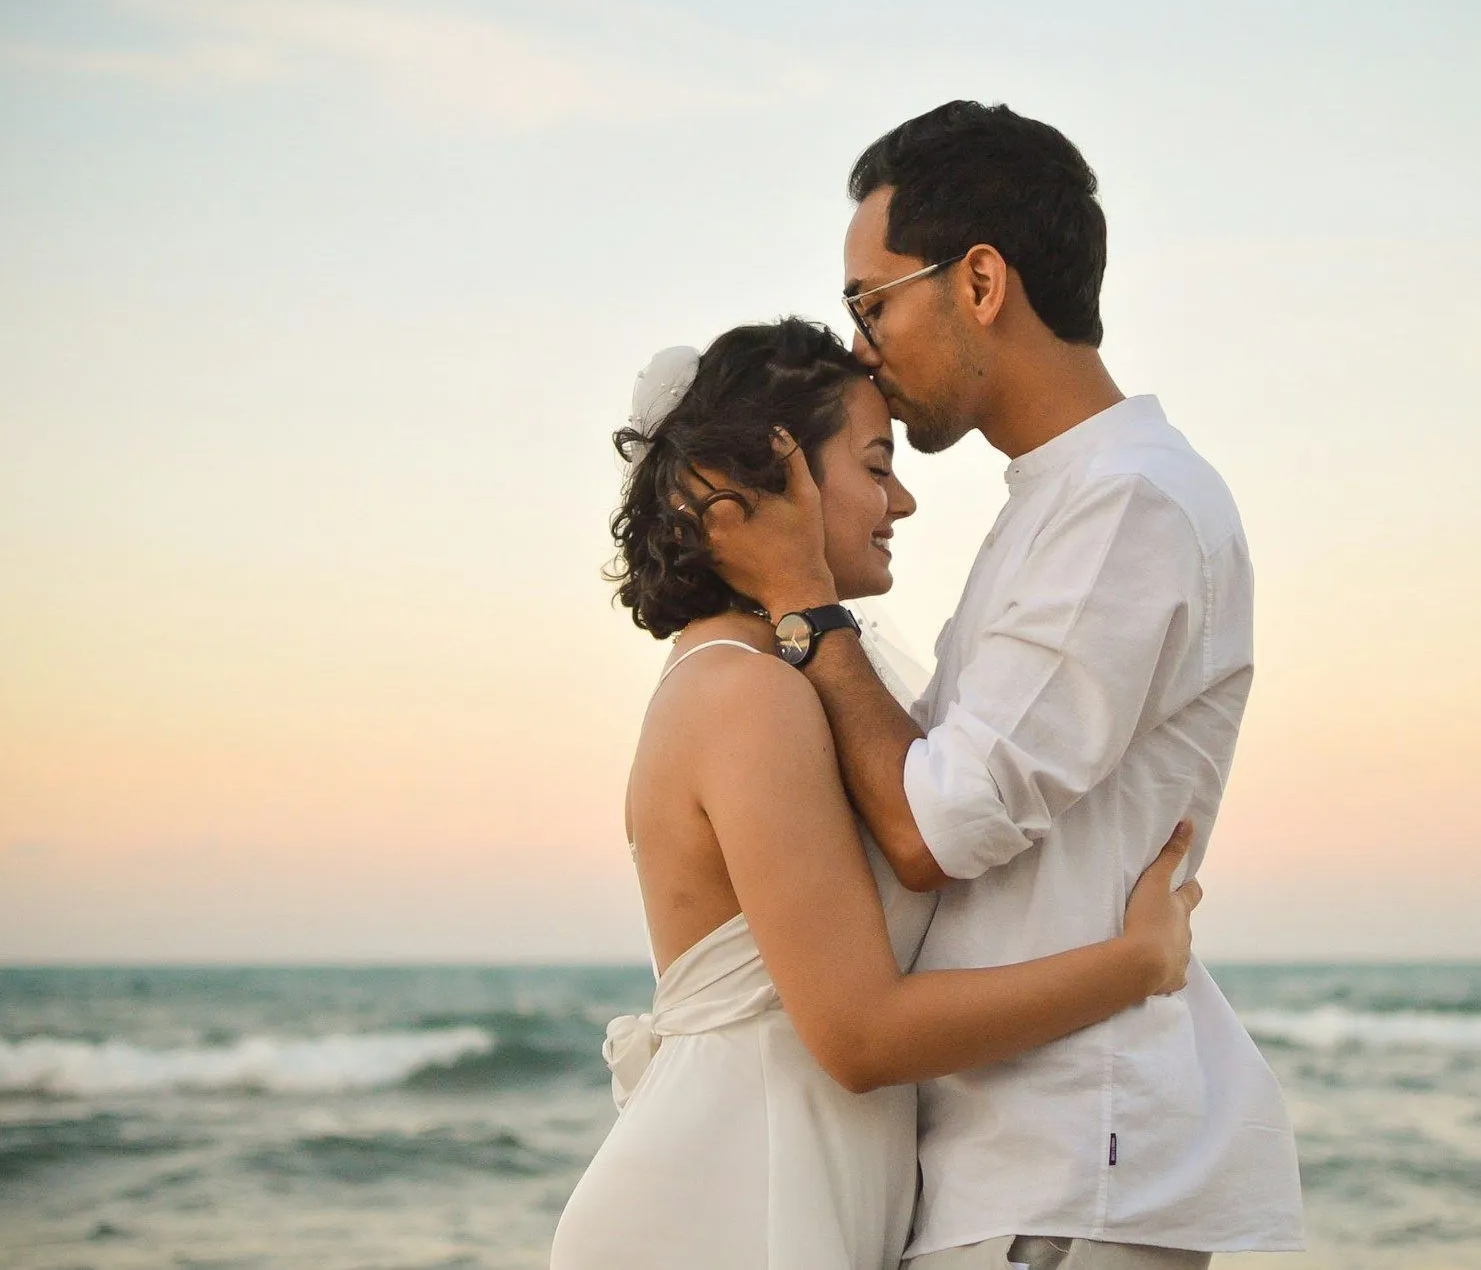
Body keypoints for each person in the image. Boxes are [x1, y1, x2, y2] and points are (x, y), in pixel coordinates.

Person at [700, 103, 1306, 1269]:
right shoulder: (1068, 498)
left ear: (979, 282)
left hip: (1065, 1169)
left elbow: (936, 825)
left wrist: (805, 604)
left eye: (873, 303)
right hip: (1022, 1173)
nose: (862, 348)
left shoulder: (1127, 502)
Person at [550, 318, 1207, 1270]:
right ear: (772, 480)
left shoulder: (777, 675)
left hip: (786, 1181)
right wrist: (1136, 963)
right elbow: (860, 1034)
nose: (901, 498)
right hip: (731, 1202)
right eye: (875, 464)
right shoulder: (746, 693)